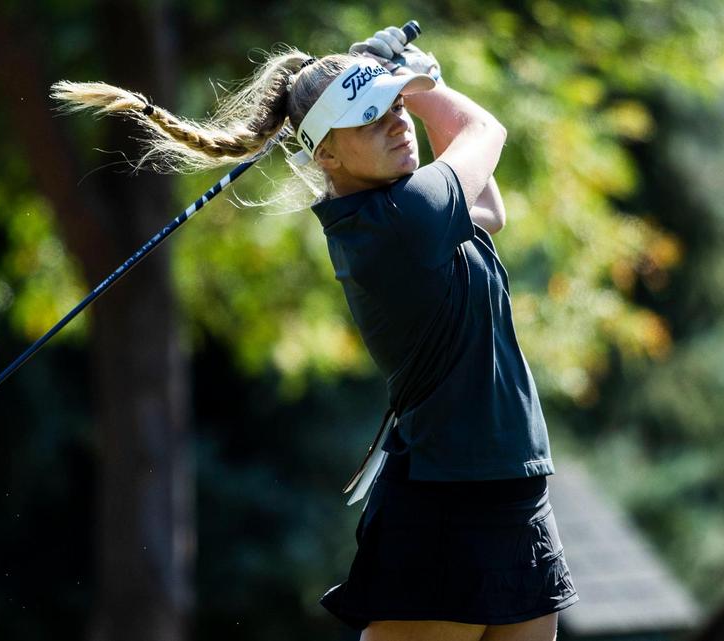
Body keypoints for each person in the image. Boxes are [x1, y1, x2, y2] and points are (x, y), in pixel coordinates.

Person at [53, 24, 578, 641]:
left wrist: (402, 77)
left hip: (514, 491)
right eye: (370, 117)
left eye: (396, 106)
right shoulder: (399, 223)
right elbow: (486, 133)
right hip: (449, 507)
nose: (397, 122)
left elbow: (490, 208)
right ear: (326, 156)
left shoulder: (413, 207)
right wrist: (420, 76)